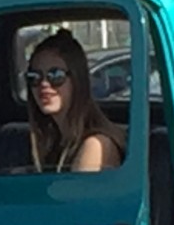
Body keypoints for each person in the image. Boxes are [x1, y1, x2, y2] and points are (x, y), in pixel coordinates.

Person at [25, 29, 124, 172]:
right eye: (34, 77)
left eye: (56, 75)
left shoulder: (95, 145)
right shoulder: (55, 143)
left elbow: (78, 194)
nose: (44, 84)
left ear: (78, 80)